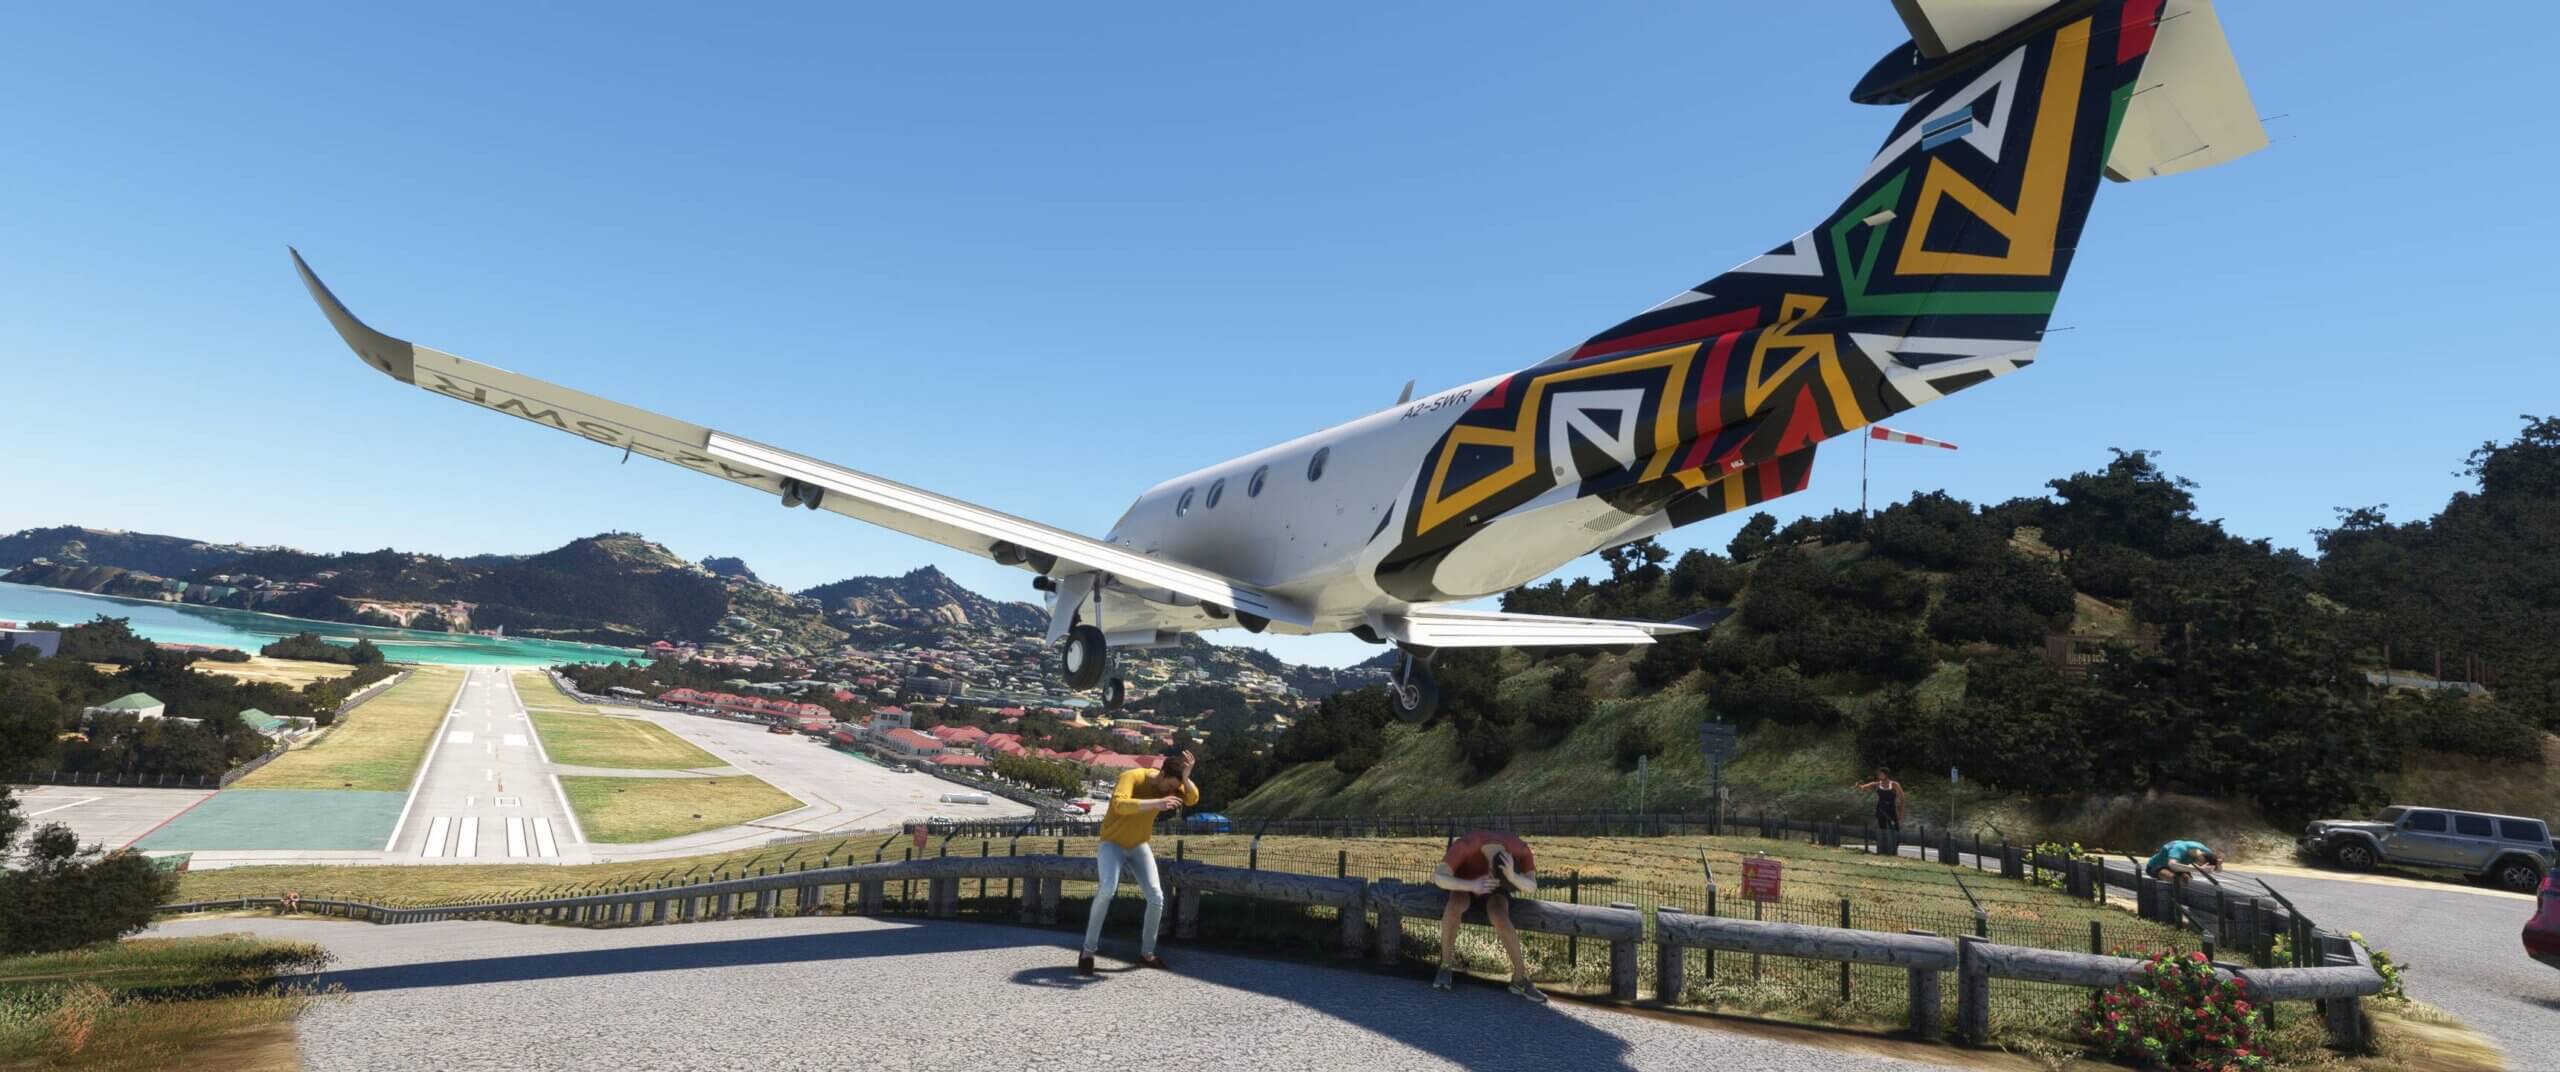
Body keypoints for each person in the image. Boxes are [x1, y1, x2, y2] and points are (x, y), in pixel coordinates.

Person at [1078, 747, 1198, 975]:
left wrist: (1186, 777)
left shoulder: (1174, 784)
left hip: (1139, 845)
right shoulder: (1132, 776)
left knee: (1156, 896)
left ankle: (1147, 953)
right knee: (1107, 889)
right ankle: (1087, 951)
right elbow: (1120, 805)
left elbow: (1192, 798)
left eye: (1175, 787)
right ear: (1162, 774)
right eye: (1170, 786)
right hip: (1112, 843)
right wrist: (1157, 803)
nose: (1172, 792)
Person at [1428, 829, 1545, 1003]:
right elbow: (1438, 877)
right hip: (1464, 883)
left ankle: (1519, 979)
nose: (1490, 873)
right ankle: (1445, 965)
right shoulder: (1466, 845)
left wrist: (1512, 877)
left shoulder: (1519, 848)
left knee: (1500, 917)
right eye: (1491, 870)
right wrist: (1472, 885)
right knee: (1454, 906)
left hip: (1495, 891)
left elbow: (1532, 886)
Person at [2144, 839, 2221, 886]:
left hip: (2178, 866)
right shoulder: (2180, 848)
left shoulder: (2205, 851)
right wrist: (2199, 869)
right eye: (2201, 864)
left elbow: (2217, 870)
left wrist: (2219, 864)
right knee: (2177, 880)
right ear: (2202, 858)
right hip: (2157, 866)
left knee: (2189, 882)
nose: (2200, 865)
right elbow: (2172, 865)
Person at [1856, 767, 1905, 834]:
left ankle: (1895, 839)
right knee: (1882, 828)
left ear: (1886, 774)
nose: (1879, 775)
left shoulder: (1894, 784)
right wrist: (1859, 786)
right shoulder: (1877, 784)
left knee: (1895, 828)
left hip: (1891, 809)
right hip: (1881, 809)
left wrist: (1901, 813)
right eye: (1878, 774)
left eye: (1880, 774)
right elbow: (1863, 787)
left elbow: (1902, 799)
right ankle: (1883, 839)